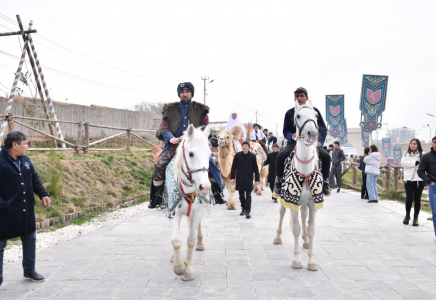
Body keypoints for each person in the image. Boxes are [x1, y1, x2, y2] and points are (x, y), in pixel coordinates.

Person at [149, 82, 224, 208]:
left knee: (210, 163)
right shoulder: (170, 109)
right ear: (179, 93)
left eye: (187, 92)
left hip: (194, 145)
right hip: (174, 144)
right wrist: (170, 137)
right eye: (182, 92)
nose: (185, 94)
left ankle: (216, 192)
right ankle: (157, 196)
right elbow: (163, 127)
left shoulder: (201, 110)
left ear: (192, 93)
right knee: (160, 163)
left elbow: (206, 128)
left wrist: (192, 135)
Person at [0, 131, 51, 286]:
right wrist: (4, 206)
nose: (27, 147)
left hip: (26, 210)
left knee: (30, 238)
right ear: (14, 145)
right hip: (5, 213)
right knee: (0, 245)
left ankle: (29, 270)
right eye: (25, 144)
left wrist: (43, 194)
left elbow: (34, 178)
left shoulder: (26, 160)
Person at [274, 87, 331, 197]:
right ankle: (278, 181)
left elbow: (322, 129)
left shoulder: (314, 111)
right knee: (281, 155)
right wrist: (292, 136)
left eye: (301, 96)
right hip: (295, 142)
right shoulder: (289, 113)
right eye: (297, 96)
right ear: (294, 98)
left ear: (307, 98)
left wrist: (320, 141)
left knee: (326, 157)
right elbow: (286, 131)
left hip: (311, 142)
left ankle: (325, 182)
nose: (299, 98)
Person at [231, 141, 260, 219]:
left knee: (248, 195)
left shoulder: (253, 156)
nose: (244, 147)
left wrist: (257, 179)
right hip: (240, 178)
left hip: (249, 178)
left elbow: (256, 168)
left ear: (248, 147)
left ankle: (247, 211)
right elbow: (233, 167)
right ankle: (243, 208)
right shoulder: (237, 155)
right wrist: (232, 177)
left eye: (246, 146)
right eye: (243, 146)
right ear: (242, 147)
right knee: (241, 195)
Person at [401, 139, 424, 226]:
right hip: (409, 179)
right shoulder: (406, 154)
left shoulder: (423, 154)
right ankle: (407, 216)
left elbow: (424, 165)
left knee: (417, 199)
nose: (412, 145)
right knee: (409, 199)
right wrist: (414, 163)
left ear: (418, 145)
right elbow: (403, 163)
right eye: (411, 144)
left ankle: (416, 218)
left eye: (414, 144)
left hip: (419, 180)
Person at [417, 136, 436, 237]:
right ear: (432, 143)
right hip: (433, 187)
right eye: (435, 142)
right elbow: (420, 171)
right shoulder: (426, 157)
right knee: (435, 212)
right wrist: (429, 182)